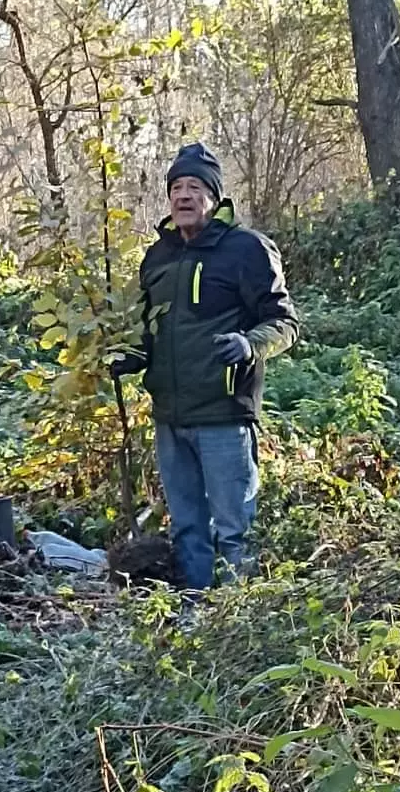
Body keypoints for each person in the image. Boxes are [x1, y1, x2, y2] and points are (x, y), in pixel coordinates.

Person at [113, 142, 298, 590]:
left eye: (195, 186)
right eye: (176, 187)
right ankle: (194, 609)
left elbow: (284, 321)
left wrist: (249, 344)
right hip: (170, 417)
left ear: (214, 197)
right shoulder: (157, 257)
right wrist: (136, 356)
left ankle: (237, 617)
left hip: (223, 413)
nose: (184, 195)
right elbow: (149, 326)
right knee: (187, 526)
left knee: (235, 527)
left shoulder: (247, 249)